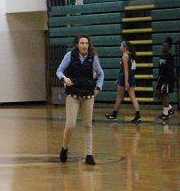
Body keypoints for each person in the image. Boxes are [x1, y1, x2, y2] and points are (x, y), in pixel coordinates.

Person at [56, 35, 105, 165]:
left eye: (86, 43)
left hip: (88, 95)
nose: (84, 45)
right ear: (77, 45)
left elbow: (101, 74)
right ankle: (64, 148)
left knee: (88, 125)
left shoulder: (93, 58)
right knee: (71, 125)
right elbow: (59, 70)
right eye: (82, 43)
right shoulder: (69, 56)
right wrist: (64, 79)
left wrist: (98, 88)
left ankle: (89, 154)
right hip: (73, 95)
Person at [105, 40, 141, 123]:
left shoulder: (125, 56)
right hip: (131, 77)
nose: (119, 47)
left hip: (125, 77)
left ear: (125, 47)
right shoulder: (131, 55)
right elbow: (128, 69)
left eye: (121, 46)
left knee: (119, 96)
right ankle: (138, 115)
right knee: (132, 96)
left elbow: (126, 70)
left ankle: (114, 114)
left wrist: (126, 81)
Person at [155, 37, 176, 122]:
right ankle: (169, 108)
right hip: (161, 78)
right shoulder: (161, 56)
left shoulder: (170, 56)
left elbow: (170, 70)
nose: (163, 47)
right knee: (157, 94)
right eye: (162, 46)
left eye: (165, 46)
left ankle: (166, 114)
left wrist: (167, 82)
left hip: (168, 78)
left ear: (169, 47)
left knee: (164, 94)